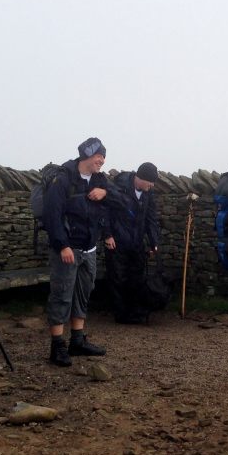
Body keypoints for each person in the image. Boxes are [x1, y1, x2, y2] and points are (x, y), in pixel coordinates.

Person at [44, 137, 115, 367]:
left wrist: (105, 193)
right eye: (99, 156)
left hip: (90, 248)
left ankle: (77, 340)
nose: (102, 161)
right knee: (62, 295)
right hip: (68, 249)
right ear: (87, 155)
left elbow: (120, 201)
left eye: (103, 157)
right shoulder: (63, 179)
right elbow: (52, 215)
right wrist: (62, 245)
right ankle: (57, 346)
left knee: (83, 294)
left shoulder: (100, 180)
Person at [106, 162, 162, 324]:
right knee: (118, 277)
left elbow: (151, 219)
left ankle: (135, 313)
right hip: (117, 242)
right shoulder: (119, 187)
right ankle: (120, 315)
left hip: (137, 242)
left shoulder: (148, 194)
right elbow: (106, 212)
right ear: (141, 178)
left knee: (137, 277)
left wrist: (154, 242)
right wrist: (108, 235)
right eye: (150, 182)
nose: (151, 185)